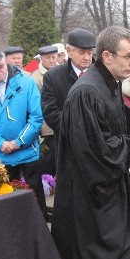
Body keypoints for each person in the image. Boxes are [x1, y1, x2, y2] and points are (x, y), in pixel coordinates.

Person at [51, 26, 130, 259]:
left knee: (118, 247)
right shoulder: (86, 93)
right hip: (91, 190)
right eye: (128, 56)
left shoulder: (110, 82)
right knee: (103, 250)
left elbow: (110, 127)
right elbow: (94, 151)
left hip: (106, 183)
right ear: (107, 56)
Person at [0, 48, 45, 215]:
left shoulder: (26, 82)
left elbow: (35, 117)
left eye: (0, 66)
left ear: (5, 61)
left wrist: (18, 142)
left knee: (34, 196)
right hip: (2, 152)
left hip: (28, 151)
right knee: (6, 198)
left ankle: (40, 230)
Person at [41, 28, 96, 174]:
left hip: (98, 146)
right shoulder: (53, 77)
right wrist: (78, 129)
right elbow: (51, 113)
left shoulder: (100, 75)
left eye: (89, 53)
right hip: (68, 147)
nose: (86, 57)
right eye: (81, 52)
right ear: (69, 51)